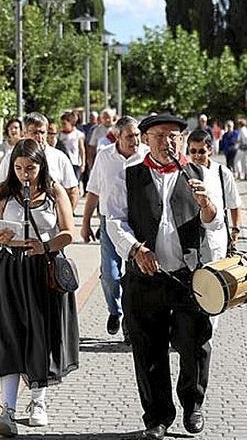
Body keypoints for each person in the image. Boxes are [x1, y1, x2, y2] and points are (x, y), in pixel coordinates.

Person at [105, 114, 221, 440]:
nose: (168, 142)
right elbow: (114, 221)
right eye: (160, 136)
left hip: (188, 276)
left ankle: (192, 403)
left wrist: (207, 205)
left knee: (195, 343)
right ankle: (157, 416)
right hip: (144, 277)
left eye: (174, 136)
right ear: (145, 139)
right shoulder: (127, 177)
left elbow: (215, 223)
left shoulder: (200, 173)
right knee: (148, 349)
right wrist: (135, 249)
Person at [0, 139, 79, 436]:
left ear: (41, 166)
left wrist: (45, 245)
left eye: (31, 168)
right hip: (9, 269)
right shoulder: (2, 194)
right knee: (8, 335)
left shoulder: (54, 191)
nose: (25, 174)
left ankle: (38, 401)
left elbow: (68, 233)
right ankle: (7, 408)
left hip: (42, 270)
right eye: (19, 168)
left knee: (41, 334)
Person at [80, 117, 148, 343]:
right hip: (109, 223)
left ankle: (130, 323)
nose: (135, 140)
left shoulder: (147, 156)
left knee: (133, 278)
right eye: (129, 136)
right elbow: (94, 191)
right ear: (117, 137)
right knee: (110, 275)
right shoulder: (104, 156)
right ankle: (115, 310)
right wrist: (86, 222)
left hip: (139, 226)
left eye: (137, 135)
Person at [0, 113, 80, 210]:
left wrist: (64, 219)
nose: (39, 137)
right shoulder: (11, 158)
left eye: (42, 132)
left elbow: (73, 191)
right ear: (24, 133)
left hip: (49, 222)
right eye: (34, 133)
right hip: (17, 219)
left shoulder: (59, 158)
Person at [186, 129, 242, 262]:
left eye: (201, 151)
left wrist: (235, 231)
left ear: (210, 150)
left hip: (216, 239)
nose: (197, 156)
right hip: (191, 240)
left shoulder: (222, 172)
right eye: (193, 151)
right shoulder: (184, 173)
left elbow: (235, 204)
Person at [58, 112, 86, 184]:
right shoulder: (59, 135)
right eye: (62, 124)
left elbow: (81, 149)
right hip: (63, 163)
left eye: (65, 124)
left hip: (75, 163)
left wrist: (83, 164)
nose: (63, 126)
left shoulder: (78, 134)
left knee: (74, 183)